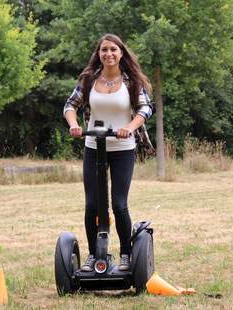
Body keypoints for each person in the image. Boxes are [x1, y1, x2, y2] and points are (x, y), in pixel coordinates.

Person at [63, 33, 153, 272]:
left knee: (119, 204)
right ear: (99, 53)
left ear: (121, 53)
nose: (109, 54)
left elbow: (145, 108)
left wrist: (129, 128)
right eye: (104, 50)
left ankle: (125, 254)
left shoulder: (132, 81)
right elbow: (70, 105)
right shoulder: (89, 80)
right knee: (92, 204)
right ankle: (94, 255)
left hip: (122, 148)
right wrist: (74, 124)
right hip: (94, 147)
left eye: (113, 49)